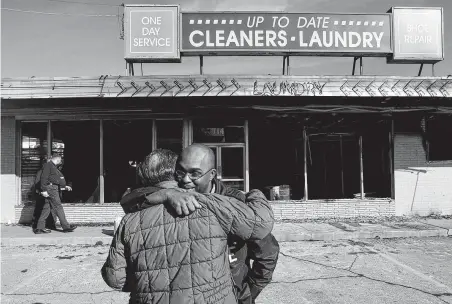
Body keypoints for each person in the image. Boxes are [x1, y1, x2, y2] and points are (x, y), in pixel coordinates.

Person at [101, 149, 274, 304]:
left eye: (194, 173)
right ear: (173, 174)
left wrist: (249, 293)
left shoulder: (231, 201)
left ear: (212, 174)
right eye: (181, 172)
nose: (185, 179)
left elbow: (267, 252)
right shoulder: (202, 203)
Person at [35, 153, 77, 234]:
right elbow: (44, 178)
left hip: (51, 188)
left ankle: (39, 228)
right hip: (51, 189)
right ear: (58, 159)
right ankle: (66, 227)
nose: (60, 162)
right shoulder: (49, 165)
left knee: (46, 208)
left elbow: (55, 179)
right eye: (60, 160)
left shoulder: (53, 167)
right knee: (58, 207)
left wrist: (64, 186)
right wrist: (43, 190)